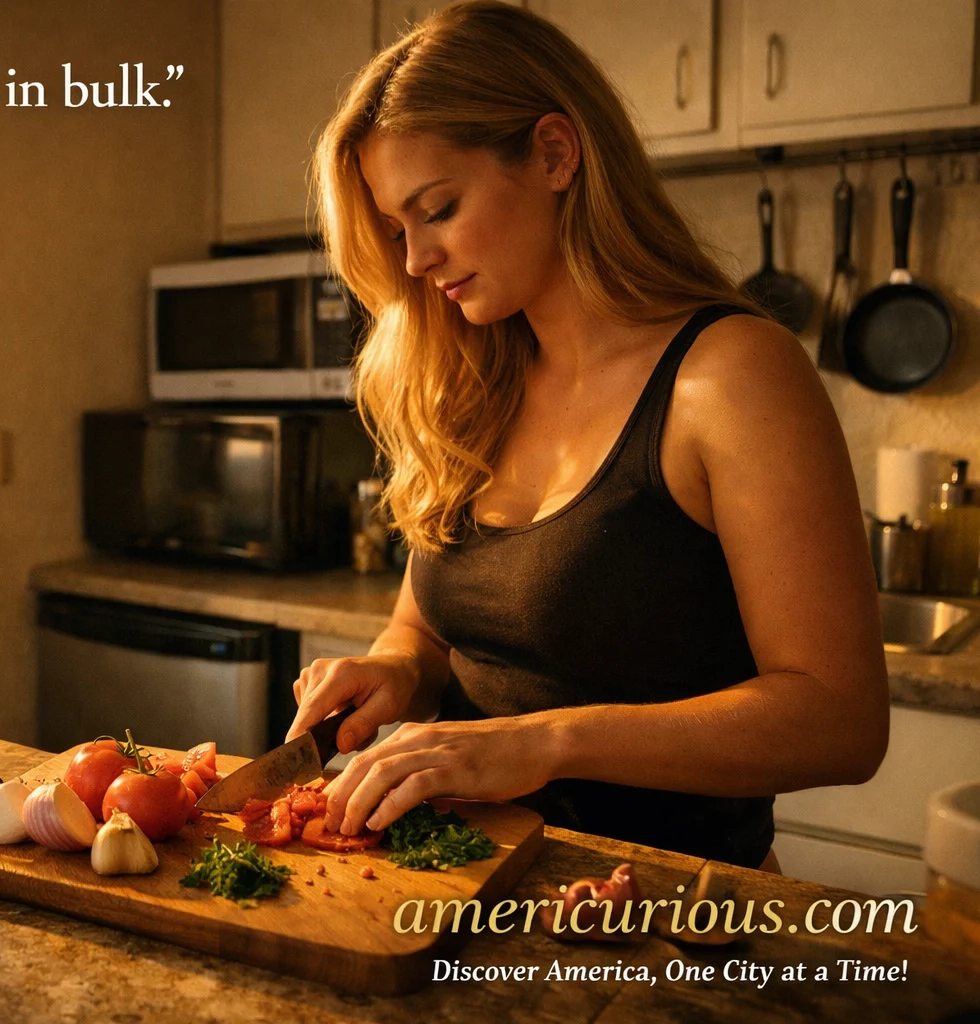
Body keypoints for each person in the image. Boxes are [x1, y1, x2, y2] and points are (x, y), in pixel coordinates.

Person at [286, 0, 888, 868]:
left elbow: (841, 722)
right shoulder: (471, 379)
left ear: (556, 154)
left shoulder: (730, 375)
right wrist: (395, 671)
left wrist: (541, 743)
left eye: (439, 209)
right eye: (394, 231)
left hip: (660, 917)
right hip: (455, 890)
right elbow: (422, 630)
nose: (414, 260)